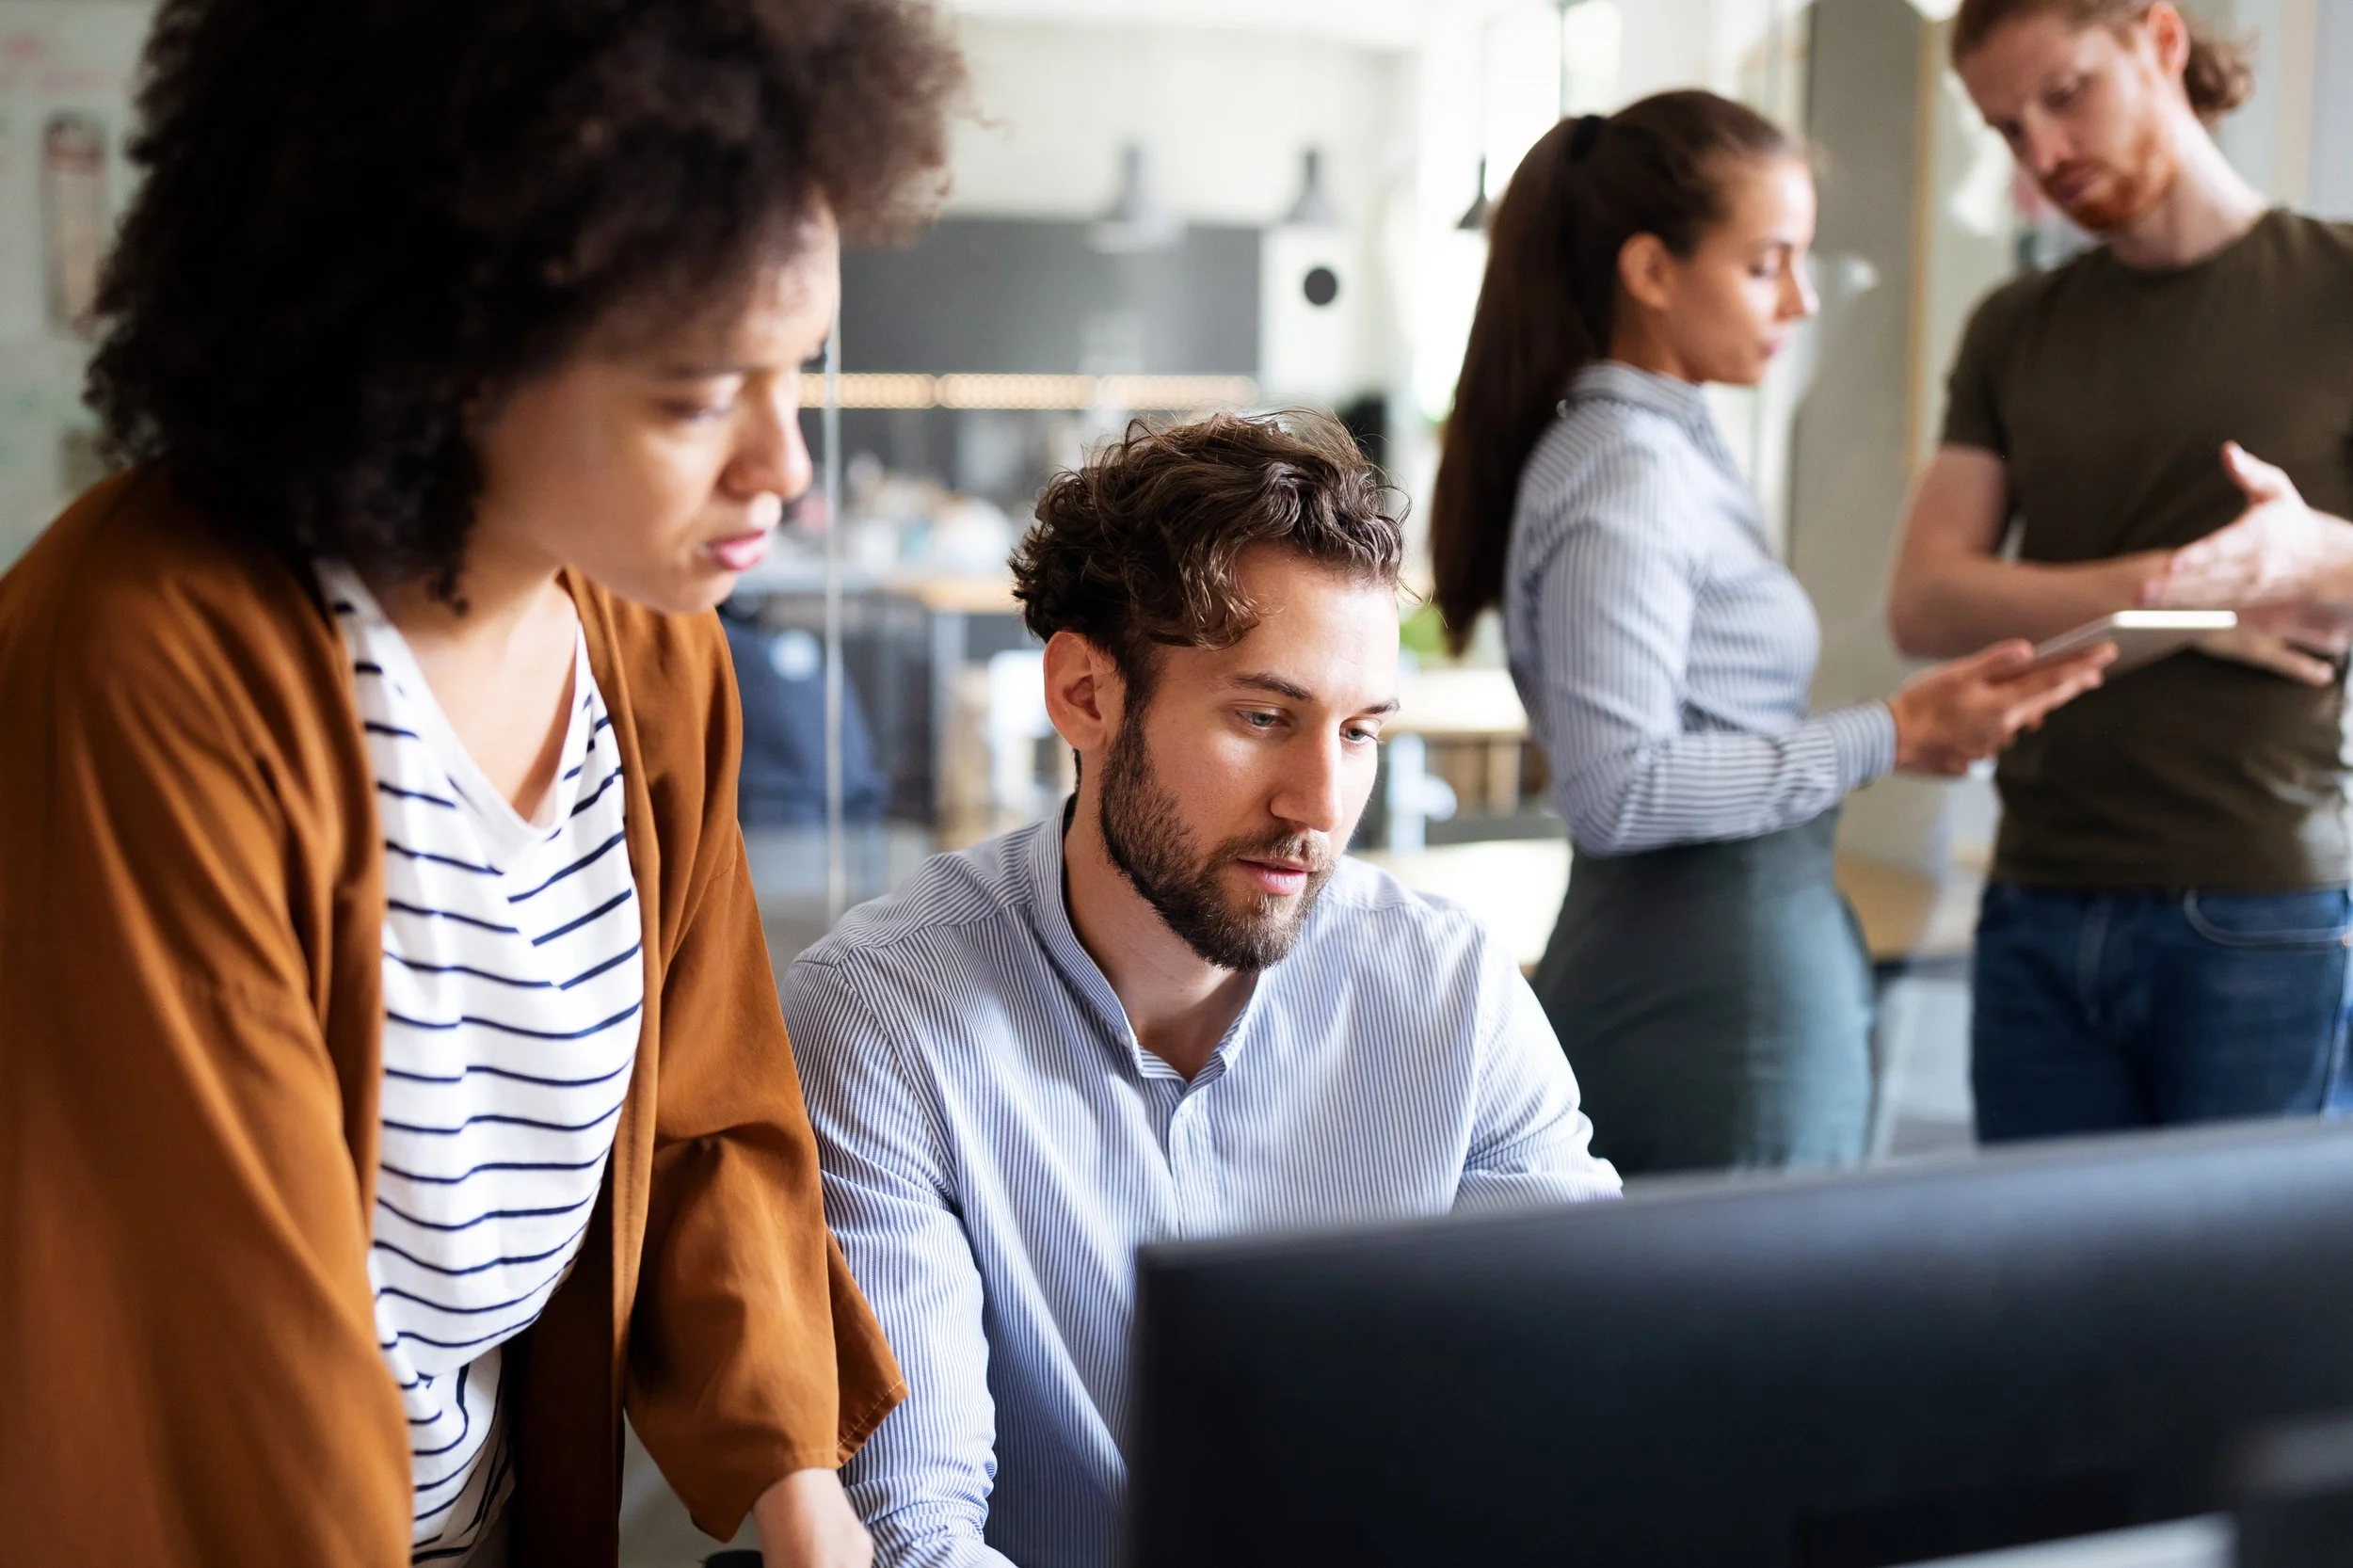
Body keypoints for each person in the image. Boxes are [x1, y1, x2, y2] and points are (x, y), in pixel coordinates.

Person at [0, 0, 965, 1562]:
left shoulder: (653, 649)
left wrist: (809, 1508)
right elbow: (221, 1343)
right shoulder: (152, 663)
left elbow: (705, 1122)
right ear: (444, 339)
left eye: (797, 369)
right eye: (695, 393)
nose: (783, 463)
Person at [783, 412, 1621, 1568]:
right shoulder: (884, 1019)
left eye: (1361, 731)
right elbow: (912, 1532)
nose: (1319, 803)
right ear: (1083, 693)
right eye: (1263, 717)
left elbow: (1587, 1412)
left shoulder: (1448, 994)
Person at [1426, 91, 2112, 1176]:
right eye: (1764, 264)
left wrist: (1906, 732)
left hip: (1712, 964)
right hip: (1707, 992)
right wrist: (1887, 732)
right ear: (1650, 272)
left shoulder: (1652, 449)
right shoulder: (1629, 470)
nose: (1797, 299)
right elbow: (1618, 788)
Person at [1885, 0, 2353, 1143]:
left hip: (2260, 902)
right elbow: (1927, 599)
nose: (2042, 155)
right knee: (2038, 1306)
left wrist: (2317, 554)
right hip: (2032, 889)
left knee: (2244, 1311)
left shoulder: (2340, 283)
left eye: (2064, 95)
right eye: (2005, 128)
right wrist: (2186, 601)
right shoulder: (2014, 324)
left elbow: (2324, 575)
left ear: (2159, 38)